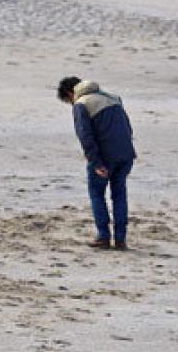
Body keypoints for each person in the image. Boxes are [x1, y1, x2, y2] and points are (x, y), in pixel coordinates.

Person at [57, 76, 137, 251]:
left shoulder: (81, 105)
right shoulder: (114, 98)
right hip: (126, 155)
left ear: (70, 93)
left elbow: (85, 136)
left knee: (97, 194)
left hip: (105, 157)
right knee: (119, 195)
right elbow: (128, 128)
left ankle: (103, 236)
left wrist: (95, 162)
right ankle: (121, 239)